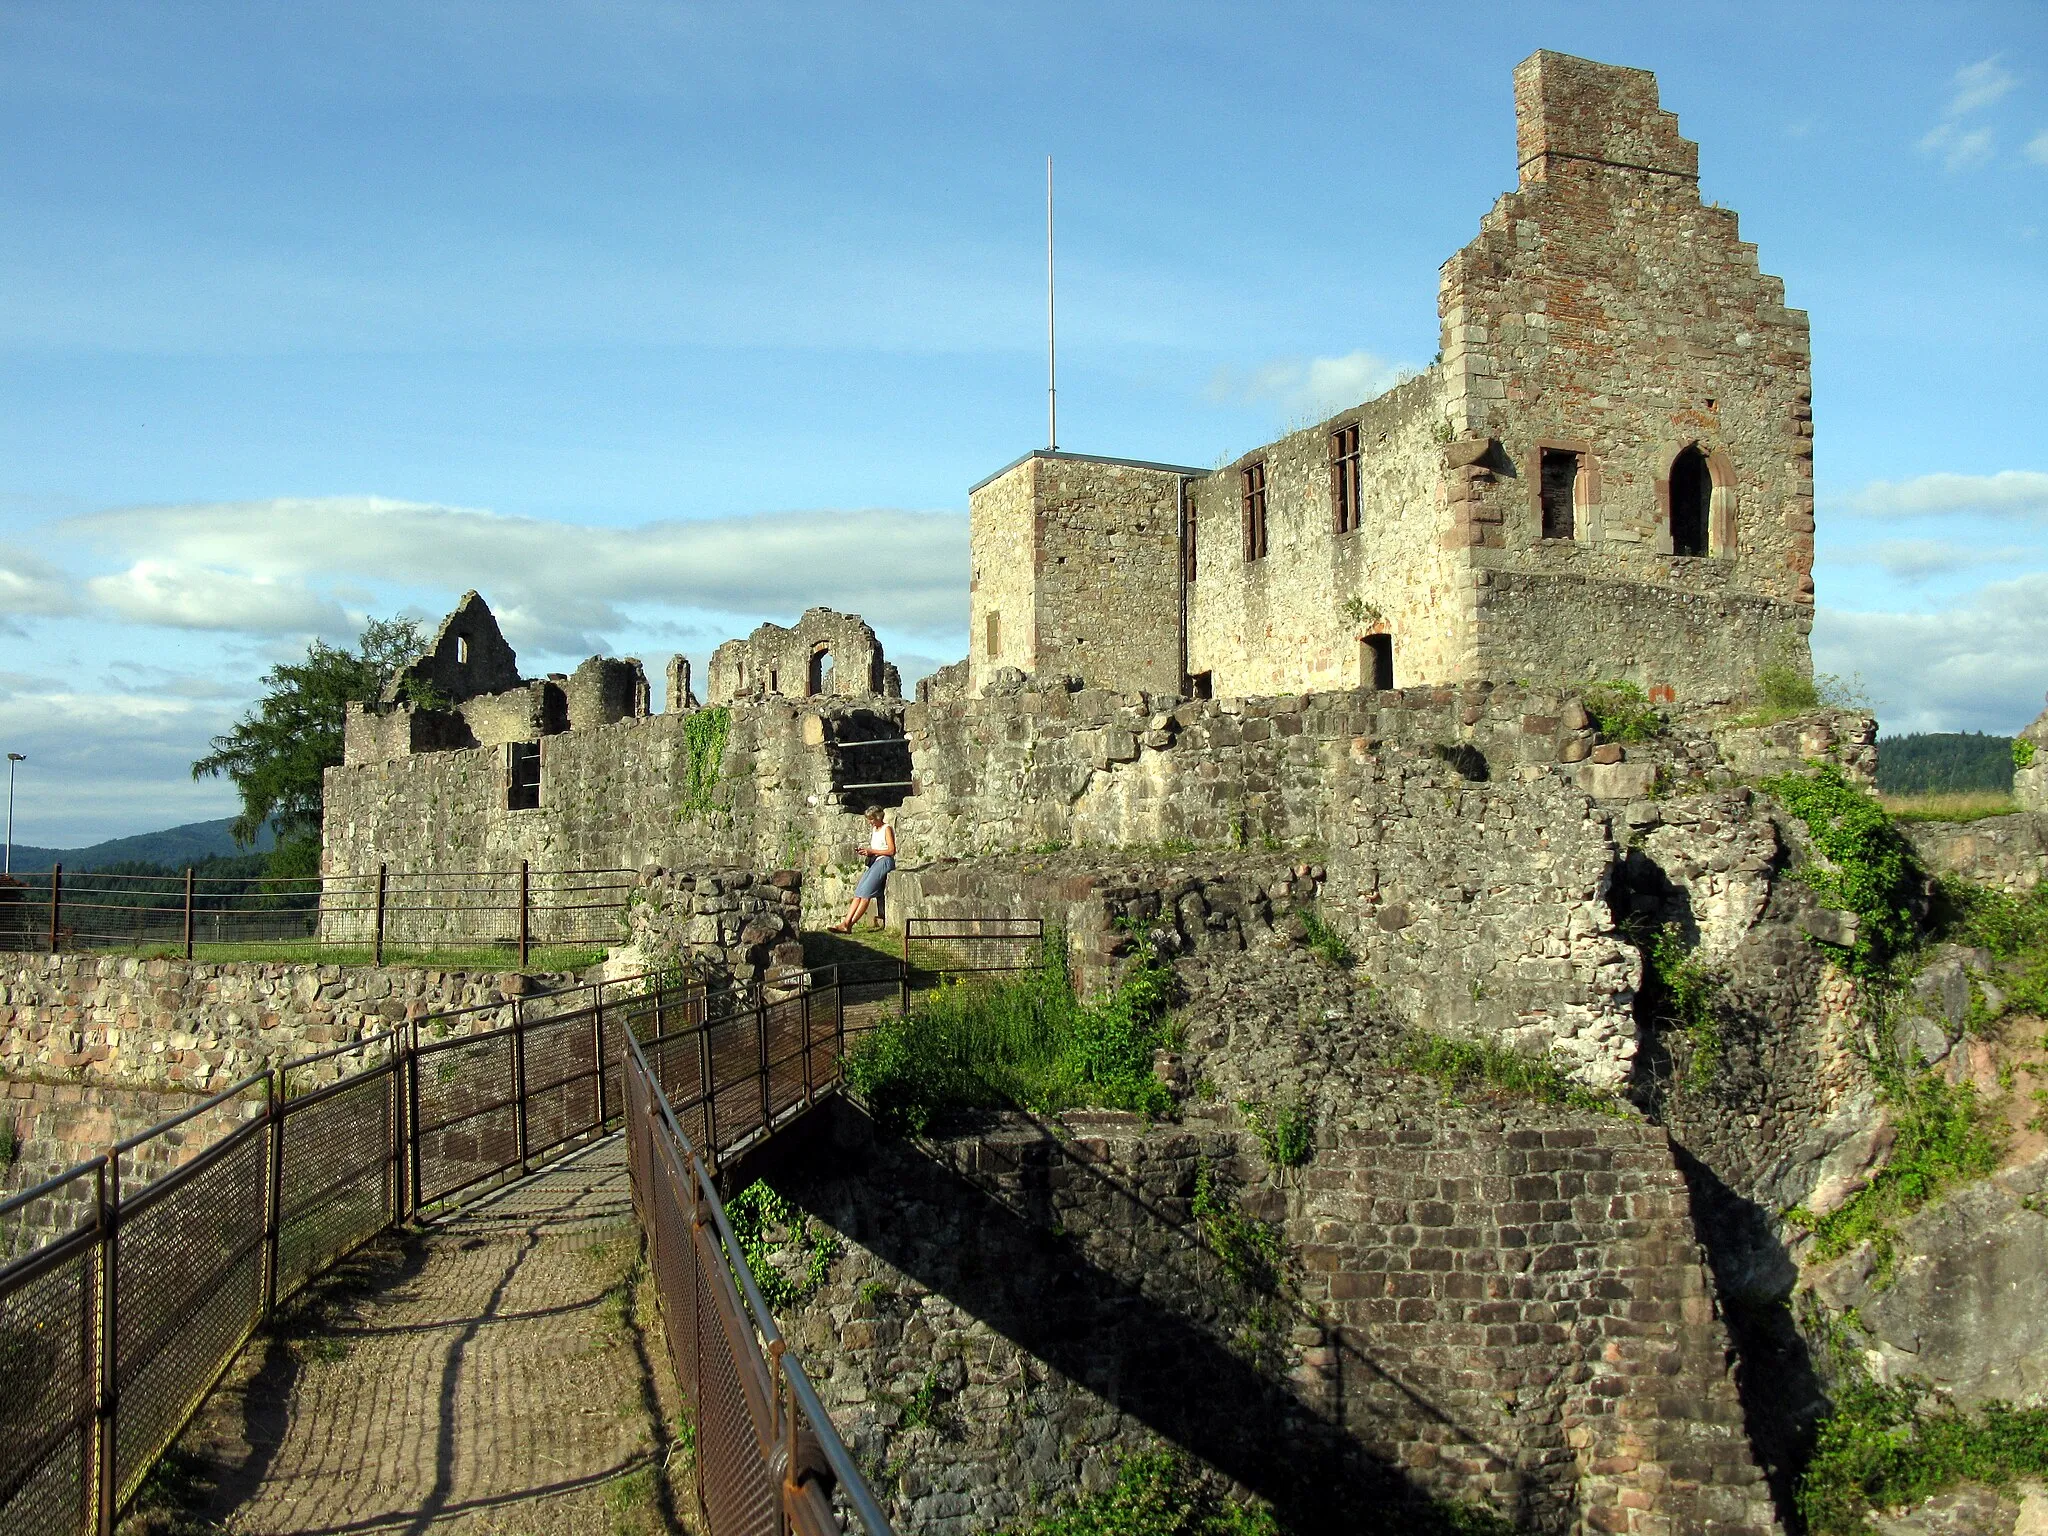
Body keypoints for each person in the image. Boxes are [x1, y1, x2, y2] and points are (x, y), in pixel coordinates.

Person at [829, 806, 895, 933]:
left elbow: (891, 850)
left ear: (877, 817)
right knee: (858, 892)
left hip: (884, 861)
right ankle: (845, 922)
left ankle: (849, 925)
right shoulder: (875, 830)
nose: (869, 822)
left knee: (865, 894)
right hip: (875, 861)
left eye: (871, 819)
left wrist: (872, 851)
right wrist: (867, 853)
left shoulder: (887, 829)